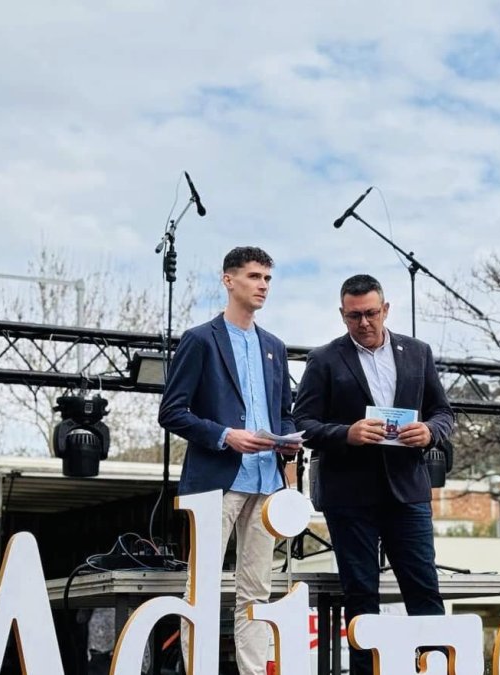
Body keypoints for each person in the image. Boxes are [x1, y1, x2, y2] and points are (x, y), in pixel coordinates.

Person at [292, 273, 454, 675]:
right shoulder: (324, 359)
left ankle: (434, 667)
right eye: (354, 316)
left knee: (424, 591)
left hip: (408, 491)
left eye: (370, 313)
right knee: (361, 596)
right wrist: (346, 433)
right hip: (349, 495)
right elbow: (302, 423)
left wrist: (430, 431)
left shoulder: (417, 352)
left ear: (386, 309)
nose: (363, 323)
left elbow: (443, 412)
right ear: (341, 314)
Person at [158, 245, 300, 675]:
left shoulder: (274, 346)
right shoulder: (200, 339)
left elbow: (285, 412)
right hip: (216, 481)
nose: (263, 286)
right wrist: (225, 436)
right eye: (255, 276)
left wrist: (288, 441)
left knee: (256, 592)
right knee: (201, 587)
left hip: (267, 483)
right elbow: (171, 412)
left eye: (268, 278)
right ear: (228, 280)